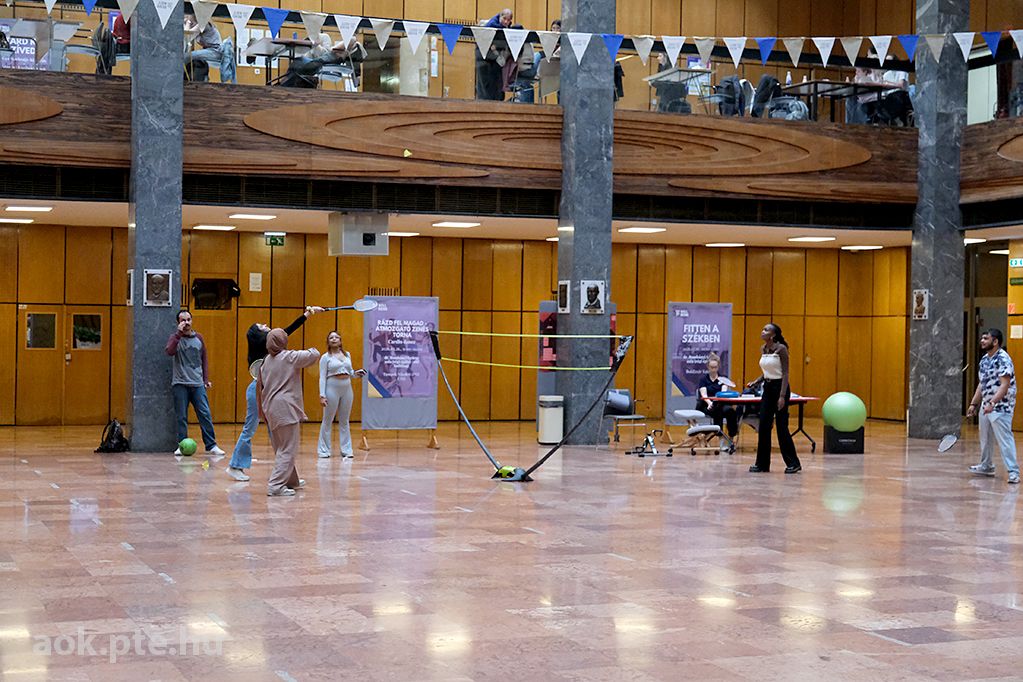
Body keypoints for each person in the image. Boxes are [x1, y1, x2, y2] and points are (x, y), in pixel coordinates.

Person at [226, 306, 323, 481]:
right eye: (261, 326)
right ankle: (235, 465)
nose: (265, 324)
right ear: (259, 335)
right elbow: (286, 332)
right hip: (258, 391)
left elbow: (284, 333)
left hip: (269, 391)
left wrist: (308, 314)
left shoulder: (269, 348)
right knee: (250, 428)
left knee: (279, 437)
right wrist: (307, 315)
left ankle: (289, 476)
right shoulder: (265, 344)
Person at [258, 329, 320, 496]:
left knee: (282, 446)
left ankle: (291, 481)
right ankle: (275, 486)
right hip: (285, 408)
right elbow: (314, 354)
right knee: (288, 449)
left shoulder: (265, 362)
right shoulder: (289, 357)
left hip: (270, 408)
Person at [165, 310, 225, 456]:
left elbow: (204, 359)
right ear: (178, 323)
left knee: (205, 414)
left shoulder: (199, 338)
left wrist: (205, 379)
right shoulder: (175, 338)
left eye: (188, 319)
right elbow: (169, 351)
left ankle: (211, 445)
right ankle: (182, 445)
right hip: (180, 383)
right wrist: (178, 335)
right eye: (183, 320)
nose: (186, 323)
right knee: (181, 416)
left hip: (197, 384)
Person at [968, 328, 1020, 484]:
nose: (982, 341)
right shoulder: (984, 360)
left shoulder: (1003, 359)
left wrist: (993, 403)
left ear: (995, 341)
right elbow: (982, 384)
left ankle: (1013, 472)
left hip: (1001, 407)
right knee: (985, 438)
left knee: (1005, 440)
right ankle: (986, 466)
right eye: (982, 338)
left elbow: (1005, 385)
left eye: (986, 338)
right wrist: (974, 403)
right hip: (986, 405)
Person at [748, 323, 801, 474]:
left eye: (766, 330)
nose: (762, 331)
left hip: (780, 388)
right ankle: (762, 464)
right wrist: (756, 381)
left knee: (781, 427)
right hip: (768, 388)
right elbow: (768, 371)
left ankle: (793, 463)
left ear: (773, 335)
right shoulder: (763, 349)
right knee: (764, 425)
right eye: (762, 329)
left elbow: (785, 373)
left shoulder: (781, 349)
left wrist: (782, 396)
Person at [317, 331, 365, 459]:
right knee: (328, 420)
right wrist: (322, 395)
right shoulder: (325, 357)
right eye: (331, 338)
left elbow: (350, 372)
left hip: (347, 387)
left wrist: (356, 373)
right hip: (332, 387)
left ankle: (347, 450)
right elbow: (322, 377)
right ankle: (323, 450)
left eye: (336, 337)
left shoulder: (347, 355)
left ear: (340, 340)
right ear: (328, 342)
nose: (334, 339)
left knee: (344, 420)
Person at [280, 35, 367, 89]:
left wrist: (332, 49)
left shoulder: (351, 40)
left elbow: (333, 49)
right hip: (324, 58)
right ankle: (284, 83)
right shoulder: (348, 51)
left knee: (299, 62)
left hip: (325, 58)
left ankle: (284, 83)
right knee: (300, 62)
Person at [696, 353, 739, 442]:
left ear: (718, 367)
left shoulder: (723, 379)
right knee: (717, 410)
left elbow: (723, 393)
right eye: (711, 367)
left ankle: (732, 435)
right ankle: (720, 435)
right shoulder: (703, 379)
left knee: (730, 411)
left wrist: (717, 401)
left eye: (715, 367)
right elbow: (704, 394)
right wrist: (710, 403)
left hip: (720, 403)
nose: (713, 370)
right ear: (708, 367)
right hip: (706, 405)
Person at [184, 14, 236, 83]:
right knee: (191, 59)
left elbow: (188, 36)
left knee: (188, 56)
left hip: (216, 51)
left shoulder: (203, 24)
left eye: (191, 21)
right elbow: (187, 35)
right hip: (210, 51)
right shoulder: (198, 26)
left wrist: (188, 22)